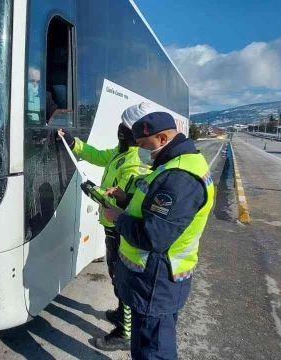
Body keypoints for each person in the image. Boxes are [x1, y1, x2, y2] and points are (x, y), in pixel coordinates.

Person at [101, 111, 215, 360]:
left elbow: (154, 237)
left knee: (153, 351)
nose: (140, 151)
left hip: (157, 281)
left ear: (162, 138)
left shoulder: (179, 177)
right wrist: (125, 198)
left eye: (143, 145)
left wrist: (118, 218)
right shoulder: (172, 163)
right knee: (146, 345)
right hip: (153, 279)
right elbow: (154, 207)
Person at [57, 103, 154, 351]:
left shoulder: (136, 162)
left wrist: (94, 191)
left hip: (121, 228)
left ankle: (125, 333)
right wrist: (73, 142)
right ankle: (123, 314)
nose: (120, 130)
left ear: (136, 132)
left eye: (125, 126)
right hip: (112, 228)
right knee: (116, 276)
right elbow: (97, 155)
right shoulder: (121, 152)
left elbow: (122, 198)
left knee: (124, 280)